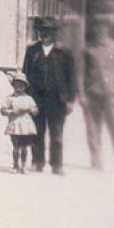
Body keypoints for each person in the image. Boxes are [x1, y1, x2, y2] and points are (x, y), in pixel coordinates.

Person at [22, 17, 76, 175]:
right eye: (42, 30)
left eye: (48, 31)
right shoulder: (32, 50)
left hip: (57, 99)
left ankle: (57, 165)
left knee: (57, 133)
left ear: (54, 33)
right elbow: (25, 73)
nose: (44, 34)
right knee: (37, 131)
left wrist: (71, 100)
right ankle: (37, 162)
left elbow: (71, 77)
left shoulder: (64, 52)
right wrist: (26, 97)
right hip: (37, 99)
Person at [80, 12, 114, 172]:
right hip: (93, 93)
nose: (100, 31)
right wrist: (81, 94)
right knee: (93, 129)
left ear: (108, 29)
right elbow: (80, 73)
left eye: (103, 28)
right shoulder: (88, 49)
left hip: (111, 95)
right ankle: (96, 161)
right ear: (94, 30)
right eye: (97, 28)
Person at [0, 71, 39, 173]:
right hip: (15, 124)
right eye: (16, 86)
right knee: (16, 146)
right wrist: (11, 111)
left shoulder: (28, 98)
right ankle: (15, 165)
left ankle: (23, 166)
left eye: (21, 86)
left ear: (25, 87)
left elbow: (35, 110)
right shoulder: (10, 98)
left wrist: (32, 110)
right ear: (13, 86)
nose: (19, 88)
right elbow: (3, 110)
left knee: (25, 147)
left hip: (26, 125)